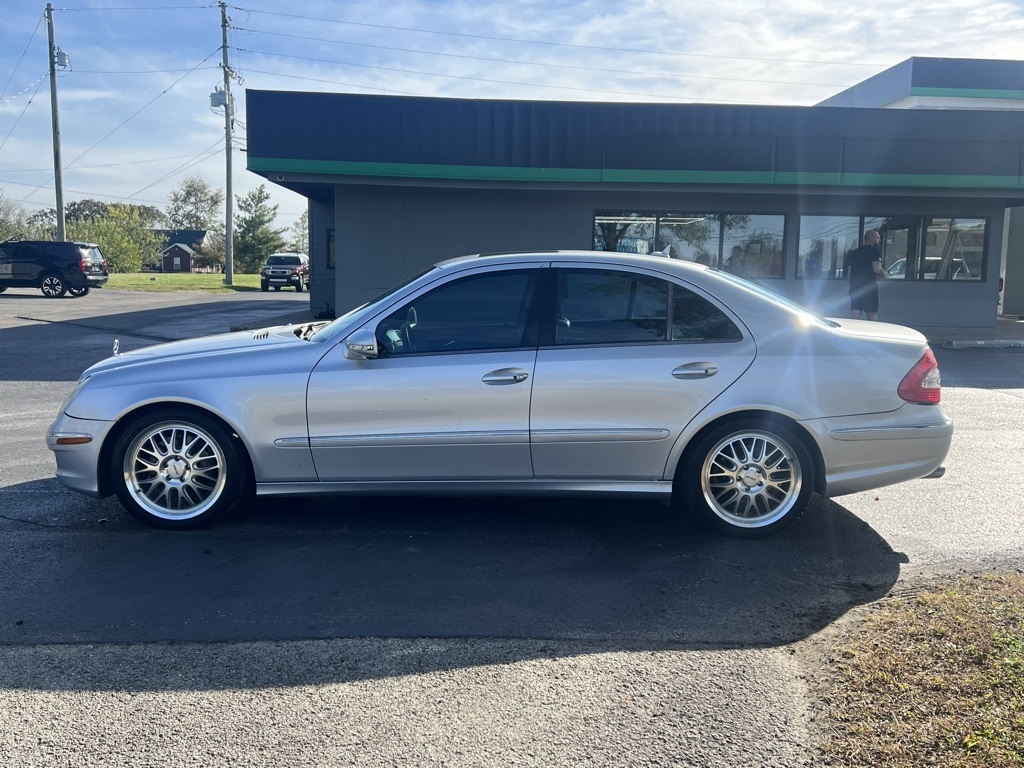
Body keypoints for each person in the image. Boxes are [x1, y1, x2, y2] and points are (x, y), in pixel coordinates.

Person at [847, 229, 886, 321]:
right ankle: (872, 330)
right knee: (872, 314)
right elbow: (877, 269)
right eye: (878, 238)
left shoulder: (854, 252)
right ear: (871, 238)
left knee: (856, 313)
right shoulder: (875, 251)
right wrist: (885, 274)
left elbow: (849, 273)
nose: (879, 240)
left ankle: (853, 329)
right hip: (869, 288)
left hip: (855, 288)